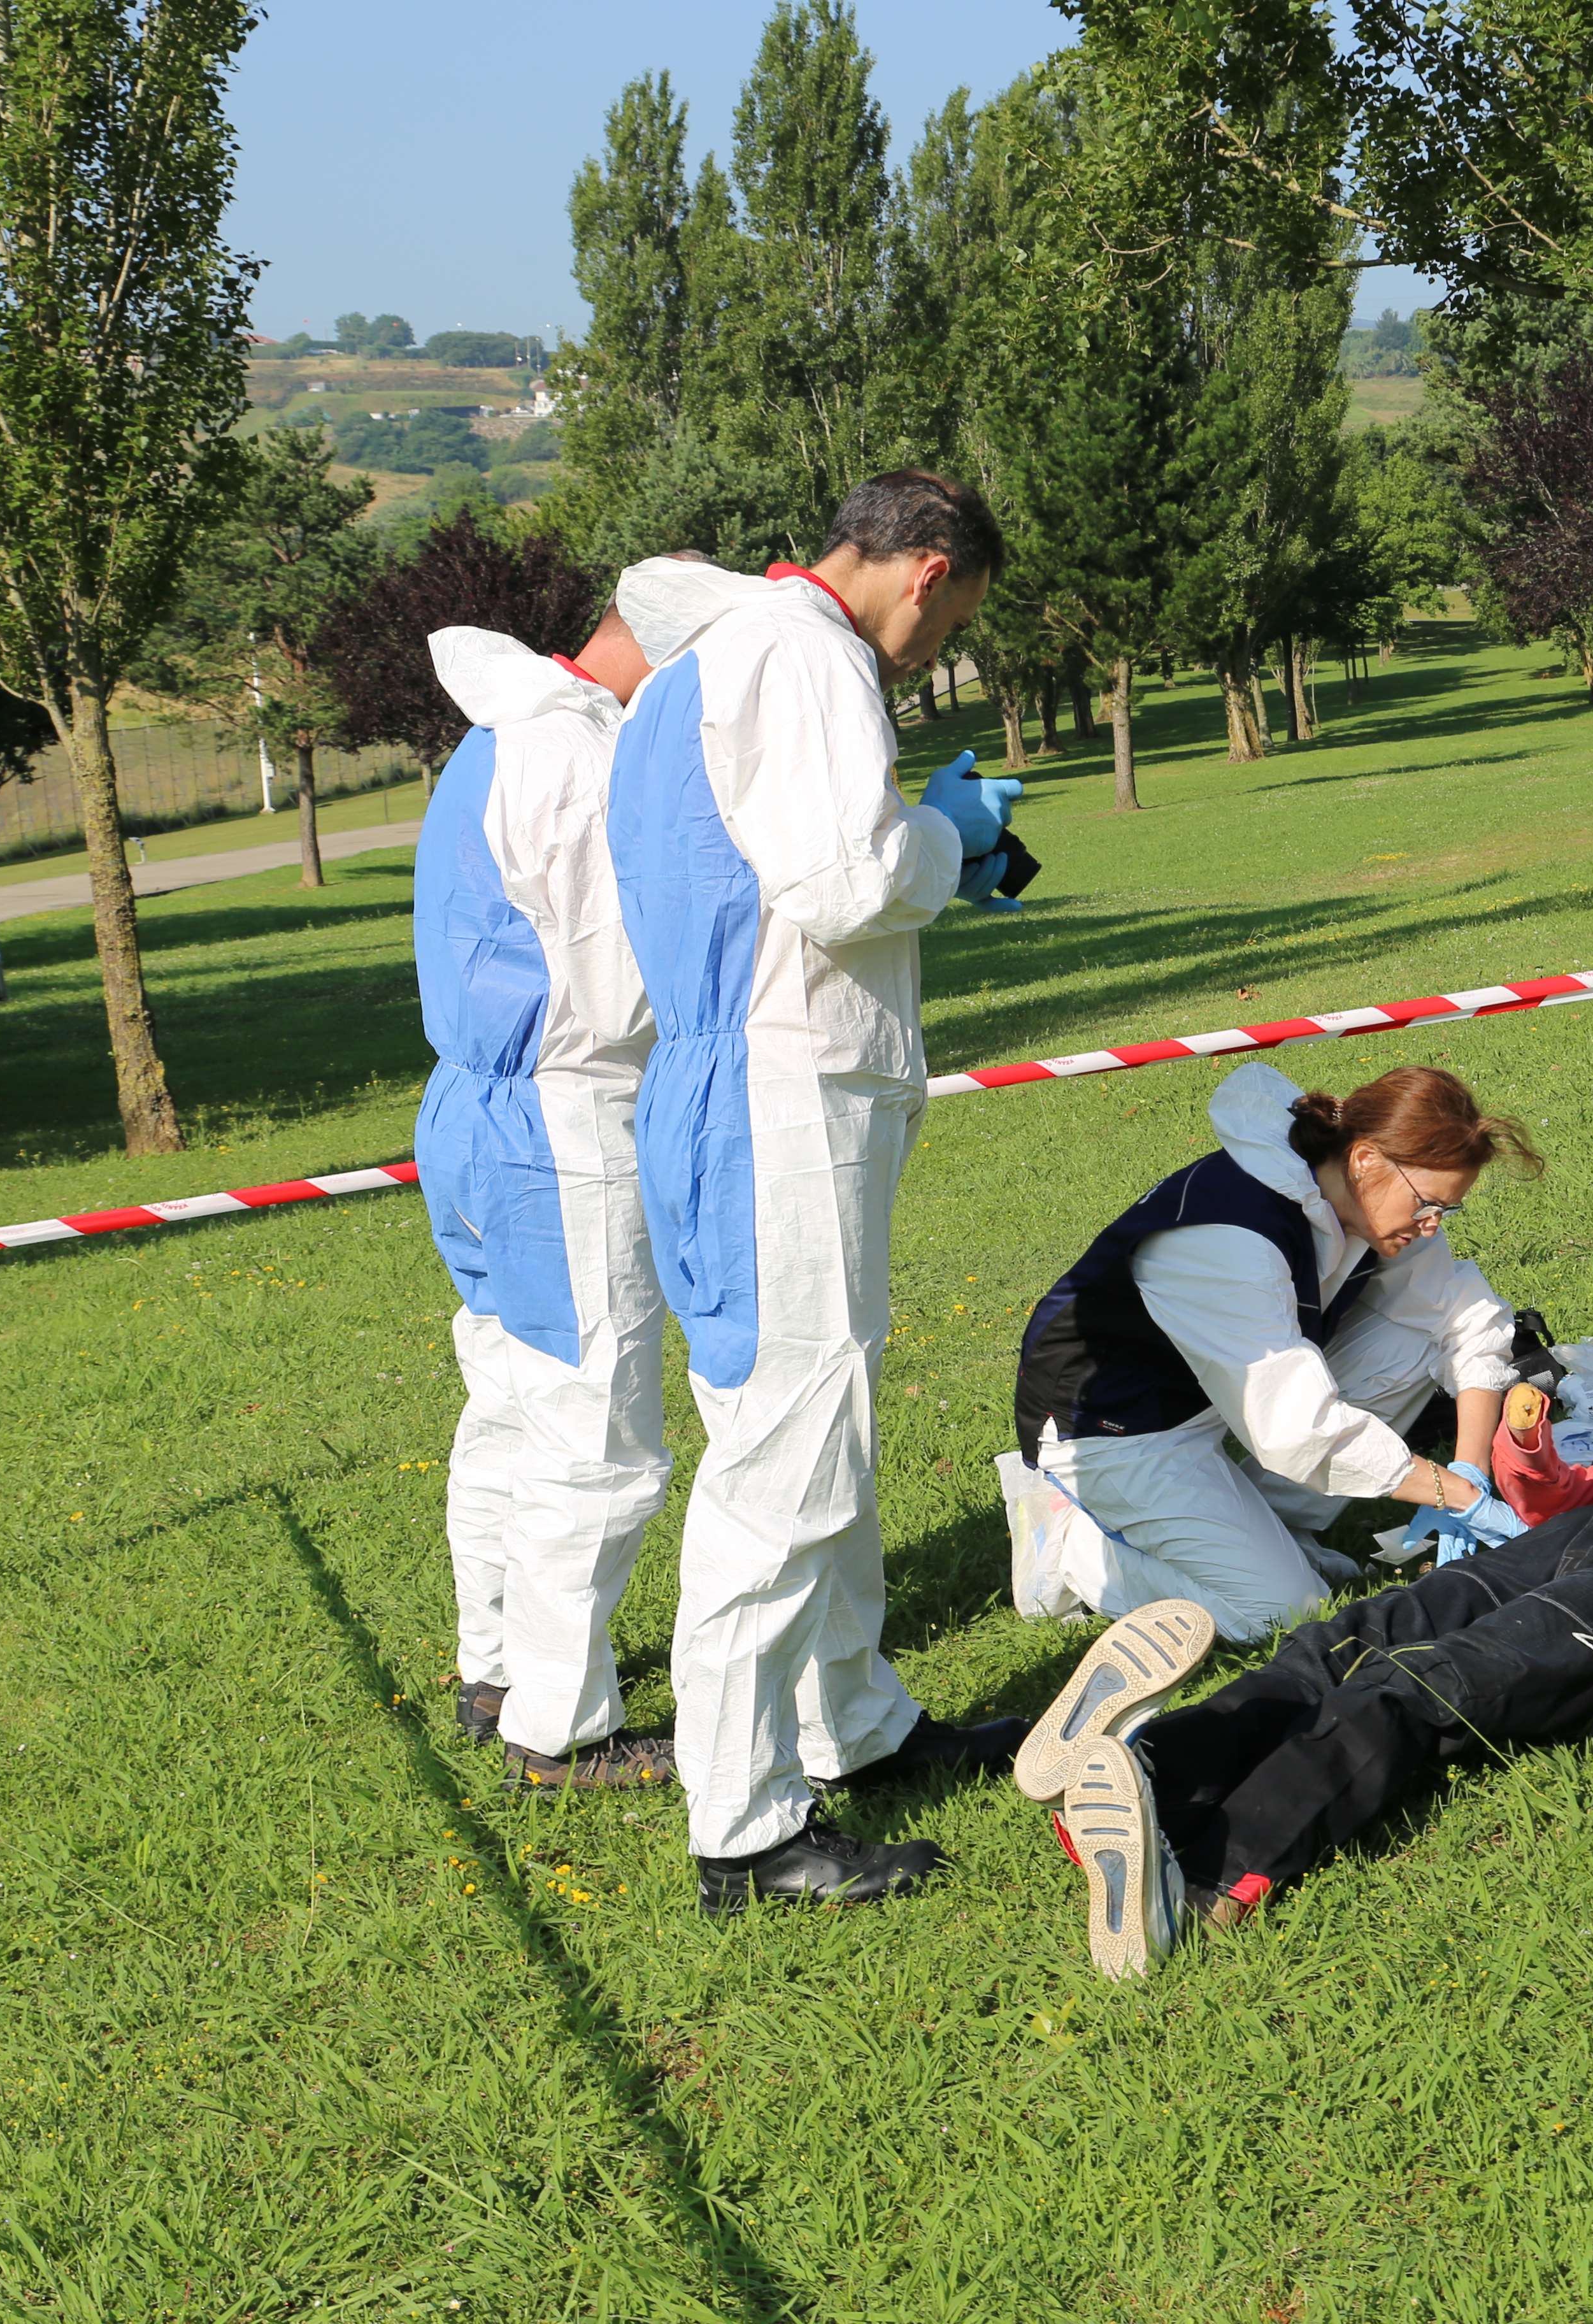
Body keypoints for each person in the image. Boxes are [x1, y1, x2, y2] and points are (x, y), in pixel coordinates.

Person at [606, 472, 1029, 1914]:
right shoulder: (811, 656)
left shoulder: (706, 666)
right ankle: (744, 1824)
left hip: (731, 1085)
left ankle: (854, 1725)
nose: (933, 650)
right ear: (923, 573)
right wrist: (952, 837)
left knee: (803, 1427)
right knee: (784, 1459)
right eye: (950, 621)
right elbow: (845, 884)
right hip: (779, 1100)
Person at [1013, 1398, 1593, 1976]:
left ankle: (1206, 1876)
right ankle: (1148, 1769)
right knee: (1358, 1636)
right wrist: (1531, 1448)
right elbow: (1569, 1489)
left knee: (1448, 1681)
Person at [415, 585, 675, 1791]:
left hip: (472, 1110)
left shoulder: (495, 730)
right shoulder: (569, 748)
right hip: (561, 1118)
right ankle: (561, 1724)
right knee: (595, 1427)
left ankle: (498, 1667)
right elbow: (615, 983)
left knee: (510, 1404)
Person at [1010, 1059, 1539, 1642]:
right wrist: (1452, 1493)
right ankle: (1069, 1545)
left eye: (1447, 1209)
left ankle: (1277, 1527)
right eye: (1426, 1204)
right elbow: (1293, 1430)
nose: (1433, 1224)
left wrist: (1470, 1465)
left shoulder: (1361, 1199)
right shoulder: (1230, 1236)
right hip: (1116, 1427)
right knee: (1282, 1611)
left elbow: (1463, 1316)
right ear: (1366, 1160)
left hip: (1223, 1399)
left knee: (1415, 1337)